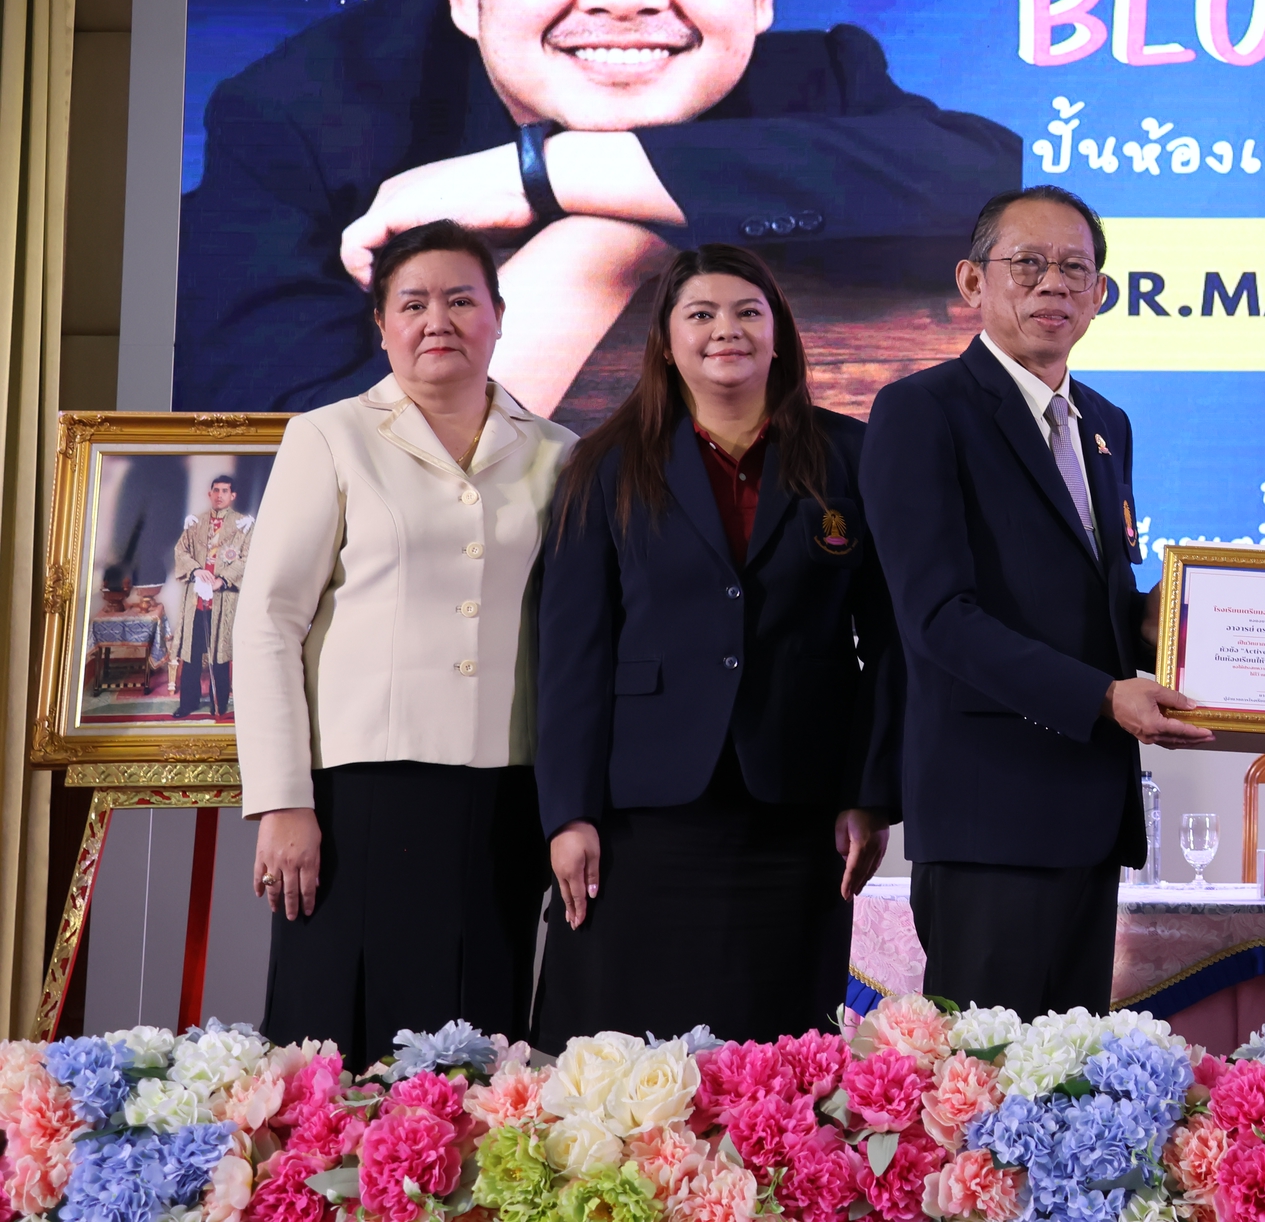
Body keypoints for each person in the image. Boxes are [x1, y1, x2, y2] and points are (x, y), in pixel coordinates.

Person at [176, 0, 1021, 416]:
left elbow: (986, 185)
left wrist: (554, 184)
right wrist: (597, 255)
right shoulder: (299, 117)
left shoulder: (817, 76)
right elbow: (268, 468)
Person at [533, 243, 903, 1042]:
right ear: (667, 342)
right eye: (700, 314)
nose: (725, 330)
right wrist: (568, 814)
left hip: (798, 808)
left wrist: (870, 792)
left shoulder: (853, 457)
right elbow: (571, 656)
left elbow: (890, 643)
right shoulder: (605, 466)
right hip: (641, 817)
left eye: (747, 312)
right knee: (628, 1045)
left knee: (778, 1052)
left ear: (779, 335)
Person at [860, 185, 1210, 1018]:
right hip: (988, 813)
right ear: (971, 282)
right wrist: (1102, 696)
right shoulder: (921, 411)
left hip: (1089, 809)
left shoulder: (1105, 423)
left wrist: (1185, 621)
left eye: (1075, 268)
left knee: (1073, 1075)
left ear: (1101, 294)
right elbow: (938, 619)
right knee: (986, 1080)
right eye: (1028, 264)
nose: (1054, 283)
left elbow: (1097, 603)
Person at [233, 219, 574, 1066]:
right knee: (339, 1040)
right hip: (358, 796)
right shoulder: (330, 435)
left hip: (508, 793)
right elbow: (269, 622)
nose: (437, 321)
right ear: (380, 324)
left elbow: (575, 635)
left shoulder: (560, 453)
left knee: (480, 1045)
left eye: (461, 300)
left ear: (499, 315)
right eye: (413, 303)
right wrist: (282, 800)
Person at [168, 476, 252, 719]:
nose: (219, 495)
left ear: (233, 495)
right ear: (210, 493)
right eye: (216, 490)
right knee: (191, 655)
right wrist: (196, 570)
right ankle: (188, 703)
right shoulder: (196, 522)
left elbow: (246, 559)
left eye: (225, 491)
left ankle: (219, 703)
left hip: (223, 599)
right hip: (196, 600)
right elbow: (180, 550)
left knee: (219, 654)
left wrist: (222, 580)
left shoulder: (243, 525)